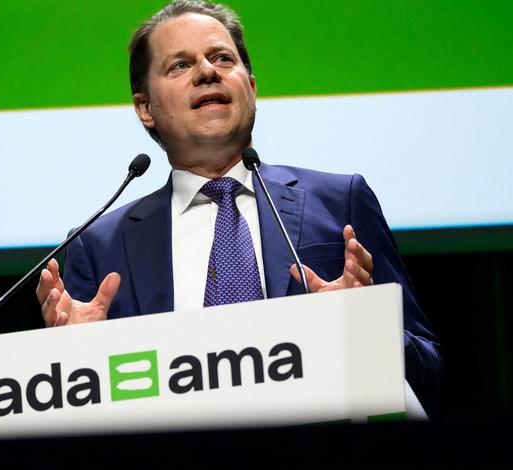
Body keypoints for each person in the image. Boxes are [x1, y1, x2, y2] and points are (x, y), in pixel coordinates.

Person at [36, 0, 441, 410]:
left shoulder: (341, 204)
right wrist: (76, 362)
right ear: (145, 108)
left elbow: (428, 374)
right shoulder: (99, 245)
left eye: (222, 58)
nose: (207, 72)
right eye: (180, 65)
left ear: (251, 87)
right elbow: (78, 416)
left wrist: (368, 327)